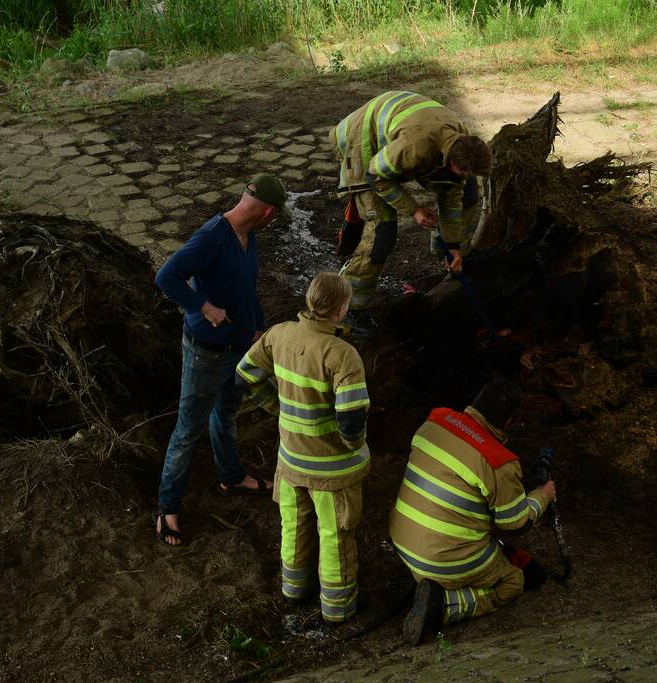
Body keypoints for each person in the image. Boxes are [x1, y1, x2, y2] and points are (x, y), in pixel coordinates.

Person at [152, 173, 291, 547]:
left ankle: (231, 475)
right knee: (188, 429)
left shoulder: (250, 237)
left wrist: (257, 328)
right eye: (276, 215)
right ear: (267, 211)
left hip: (239, 346)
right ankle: (167, 508)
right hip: (207, 350)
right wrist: (203, 305)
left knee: (227, 411)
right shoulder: (213, 236)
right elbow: (167, 276)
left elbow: (247, 289)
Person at [235, 272, 370, 624]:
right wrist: (354, 447)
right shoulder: (342, 354)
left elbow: (244, 376)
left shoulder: (278, 335)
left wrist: (276, 406)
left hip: (291, 463)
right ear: (341, 309)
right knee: (335, 535)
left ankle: (293, 591)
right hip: (332, 471)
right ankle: (337, 608)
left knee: (293, 527)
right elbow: (352, 421)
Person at [388, 378, 557, 645]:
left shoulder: (433, 421)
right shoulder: (499, 462)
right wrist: (543, 496)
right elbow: (516, 523)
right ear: (509, 422)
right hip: (442, 561)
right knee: (513, 581)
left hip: (403, 544)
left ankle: (434, 583)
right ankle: (442, 604)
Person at [330, 90, 491, 338]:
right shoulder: (415, 149)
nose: (464, 175)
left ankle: (450, 257)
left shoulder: (461, 144)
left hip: (405, 139)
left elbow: (452, 198)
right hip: (361, 141)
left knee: (468, 192)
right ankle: (352, 307)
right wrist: (414, 210)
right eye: (461, 171)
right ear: (448, 160)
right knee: (383, 230)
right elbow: (376, 175)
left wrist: (453, 246)